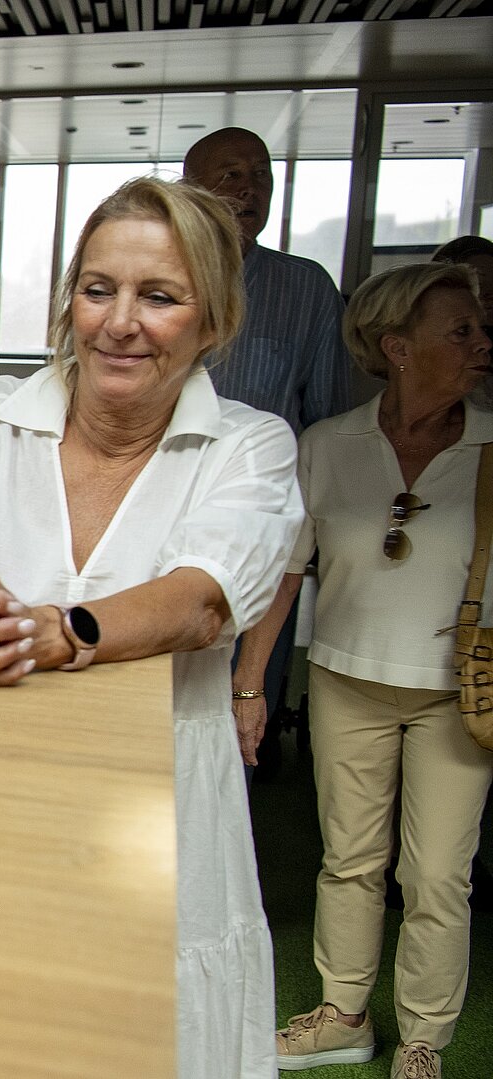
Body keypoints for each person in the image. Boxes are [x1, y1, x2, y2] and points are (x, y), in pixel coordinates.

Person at [0, 176, 301, 1078]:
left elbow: (207, 596)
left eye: (160, 296)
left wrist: (55, 632)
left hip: (161, 813)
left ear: (212, 321)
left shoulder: (252, 444)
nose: (120, 321)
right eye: (98, 289)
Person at [264, 263, 493, 1079]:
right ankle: (344, 1014)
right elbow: (286, 573)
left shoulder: (492, 443)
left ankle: (424, 1038)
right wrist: (253, 685)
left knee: (436, 872)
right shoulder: (328, 445)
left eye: (478, 329)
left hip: (457, 694)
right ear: (398, 347)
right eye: (459, 331)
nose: (480, 344)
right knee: (350, 857)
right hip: (342, 677)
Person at [185, 127, 361, 746]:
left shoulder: (305, 287)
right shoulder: (156, 274)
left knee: (239, 711)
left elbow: (330, 425)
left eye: (260, 174)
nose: (248, 188)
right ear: (190, 188)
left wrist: (308, 544)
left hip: (258, 539)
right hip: (150, 523)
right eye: (229, 174)